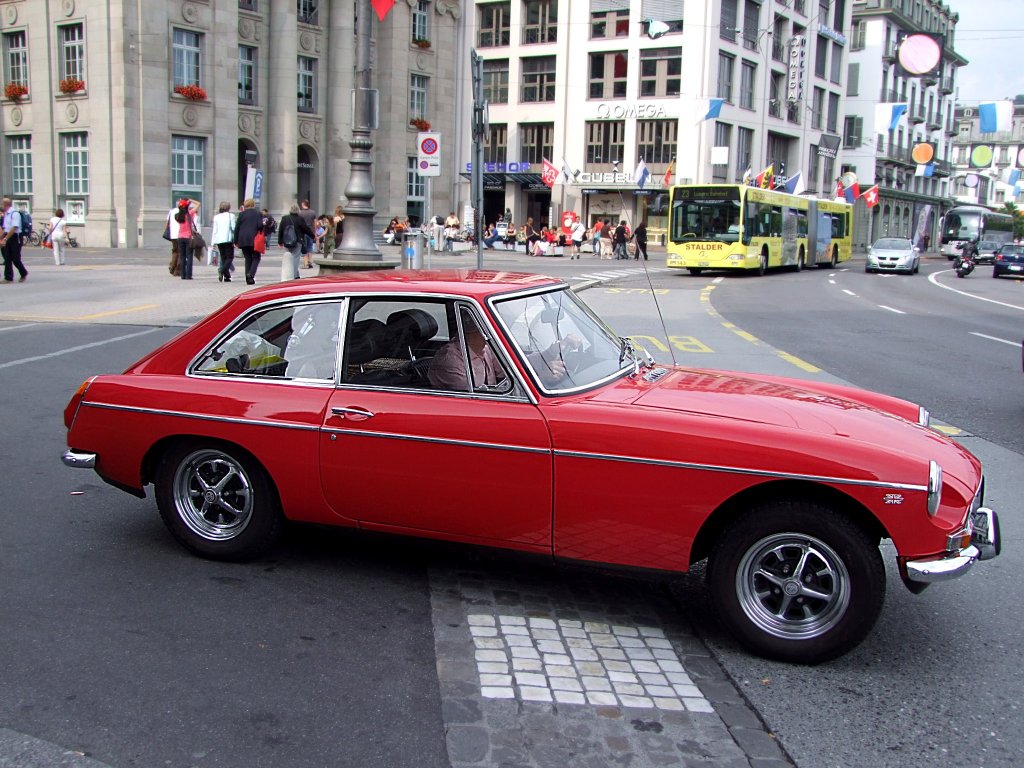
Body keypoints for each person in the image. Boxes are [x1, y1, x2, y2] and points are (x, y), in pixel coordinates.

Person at [428, 320, 507, 391]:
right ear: (470, 333)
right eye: (485, 330)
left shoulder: (486, 348)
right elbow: (469, 397)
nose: (491, 335)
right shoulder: (451, 359)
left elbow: (507, 373)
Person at [277, 204, 315, 281]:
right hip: (297, 241)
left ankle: (296, 275)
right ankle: (293, 275)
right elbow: (305, 229)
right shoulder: (300, 219)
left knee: (288, 257)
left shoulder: (284, 218)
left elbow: (280, 230)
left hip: (286, 242)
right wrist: (313, 236)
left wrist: (280, 241)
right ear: (298, 211)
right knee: (295, 258)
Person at [233, 198, 262, 285]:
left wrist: (235, 240)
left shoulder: (241, 214)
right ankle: (251, 274)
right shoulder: (257, 214)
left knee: (248, 258)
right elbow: (260, 226)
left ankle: (248, 278)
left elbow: (237, 228)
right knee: (256, 257)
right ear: (253, 205)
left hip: (243, 239)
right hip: (254, 238)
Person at [0, 197, 28, 283]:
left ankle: (23, 272)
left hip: (15, 237)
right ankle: (8, 277)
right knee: (7, 257)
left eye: (1, 204)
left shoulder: (14, 214)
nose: (1, 206)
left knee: (15, 258)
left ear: (5, 205)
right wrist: (1, 238)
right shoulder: (6, 214)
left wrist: (5, 238)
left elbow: (14, 228)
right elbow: (5, 228)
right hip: (7, 235)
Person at [173, 198, 200, 280]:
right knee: (189, 256)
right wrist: (191, 200)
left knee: (182, 256)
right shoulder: (190, 213)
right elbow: (198, 204)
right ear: (187, 206)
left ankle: (183, 275)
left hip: (180, 237)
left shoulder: (177, 216)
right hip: (188, 237)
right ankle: (189, 275)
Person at [210, 201, 236, 282]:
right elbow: (233, 227)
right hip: (228, 239)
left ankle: (227, 276)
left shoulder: (216, 217)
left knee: (223, 257)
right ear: (229, 208)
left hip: (219, 239)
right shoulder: (231, 216)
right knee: (230, 257)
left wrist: (213, 242)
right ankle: (222, 270)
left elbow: (215, 230)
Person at [298, 199, 317, 268]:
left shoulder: (300, 213)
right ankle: (310, 261)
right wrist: (315, 232)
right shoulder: (313, 212)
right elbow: (315, 223)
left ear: (303, 205)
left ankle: (305, 263)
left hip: (303, 232)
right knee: (310, 246)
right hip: (311, 231)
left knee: (304, 247)